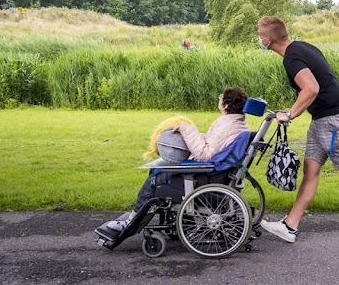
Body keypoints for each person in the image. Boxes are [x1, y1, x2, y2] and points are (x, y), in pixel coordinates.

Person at [256, 16, 339, 247]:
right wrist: (293, 108)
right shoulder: (301, 47)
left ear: (267, 39)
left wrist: (292, 114)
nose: (258, 39)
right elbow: (317, 85)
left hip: (333, 119)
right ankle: (290, 226)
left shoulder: (292, 58)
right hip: (321, 119)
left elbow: (312, 88)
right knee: (311, 171)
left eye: (259, 35)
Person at [96, 86, 250, 239]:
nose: (219, 99)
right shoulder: (238, 123)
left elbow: (205, 154)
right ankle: (159, 219)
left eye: (221, 97)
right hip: (219, 175)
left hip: (207, 178)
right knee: (157, 171)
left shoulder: (226, 124)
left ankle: (131, 221)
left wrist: (186, 129)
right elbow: (215, 145)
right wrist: (196, 135)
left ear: (226, 105)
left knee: (156, 177)